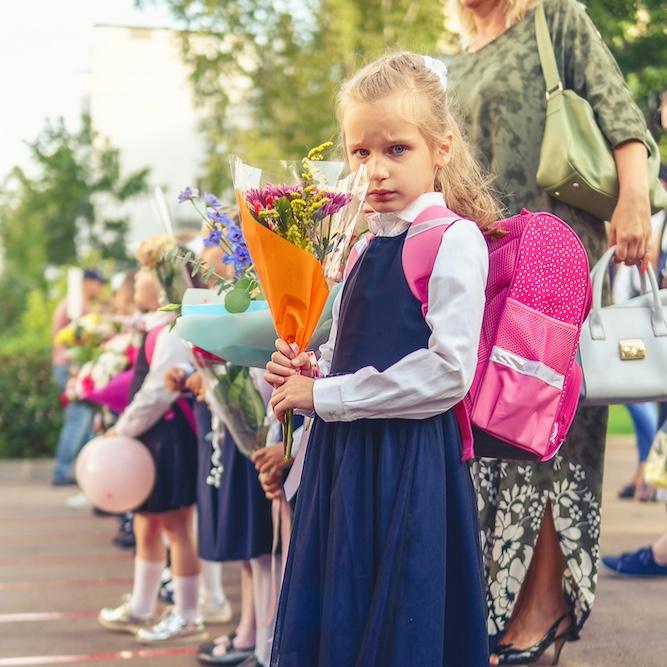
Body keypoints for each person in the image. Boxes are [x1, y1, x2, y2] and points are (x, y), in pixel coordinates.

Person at [265, 51, 496, 666]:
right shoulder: (365, 243)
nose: (376, 170)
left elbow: (449, 373)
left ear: (441, 148)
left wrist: (329, 396)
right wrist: (307, 375)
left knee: (401, 619)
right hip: (346, 462)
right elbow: (350, 355)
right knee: (344, 614)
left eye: (397, 149)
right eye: (361, 153)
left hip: (407, 464)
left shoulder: (452, 239)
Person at [448, 0, 654, 663]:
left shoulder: (554, 17)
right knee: (494, 432)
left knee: (549, 432)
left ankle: (543, 606)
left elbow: (622, 117)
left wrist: (633, 204)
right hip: (483, 263)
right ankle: (499, 601)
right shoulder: (452, 57)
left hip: (554, 257)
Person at [98, 266, 202, 643]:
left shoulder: (172, 329)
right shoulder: (153, 326)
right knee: (146, 523)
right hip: (150, 437)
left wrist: (121, 430)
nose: (136, 277)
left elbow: (159, 391)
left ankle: (188, 614)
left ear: (161, 283)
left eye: (144, 270)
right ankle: (142, 606)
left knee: (176, 527)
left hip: (167, 437)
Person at [51, 269, 106, 485]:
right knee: (78, 419)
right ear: (88, 282)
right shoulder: (75, 306)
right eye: (98, 283)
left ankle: (81, 469)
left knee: (83, 420)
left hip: (68, 366)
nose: (100, 288)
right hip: (70, 367)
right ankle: (62, 472)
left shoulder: (73, 303)